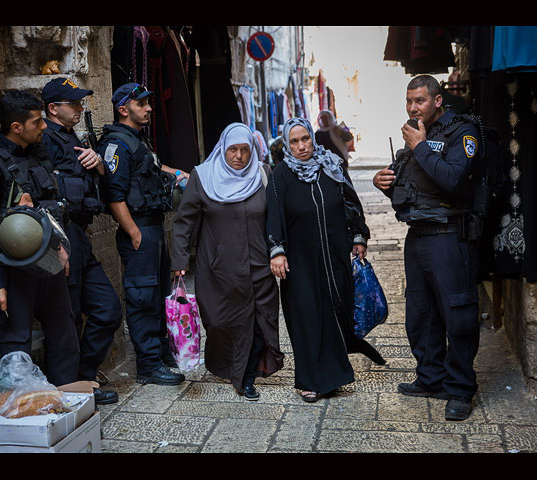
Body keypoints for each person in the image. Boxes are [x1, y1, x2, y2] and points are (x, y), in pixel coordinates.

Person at [373, 74, 481, 421]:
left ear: (437, 101)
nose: (412, 107)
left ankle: (461, 388)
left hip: (450, 237)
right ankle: (431, 377)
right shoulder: (419, 135)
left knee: (458, 314)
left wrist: (419, 147)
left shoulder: (463, 133)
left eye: (419, 101)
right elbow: (413, 187)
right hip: (418, 236)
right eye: (408, 101)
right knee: (421, 314)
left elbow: (452, 179)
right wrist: (384, 183)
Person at [0, 90, 80, 387]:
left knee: (64, 335)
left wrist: (60, 252)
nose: (44, 127)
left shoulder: (38, 154)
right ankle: (19, 414)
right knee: (16, 345)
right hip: (12, 273)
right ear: (16, 127)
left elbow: (52, 212)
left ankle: (65, 406)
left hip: (48, 264)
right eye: (38, 122)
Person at [266, 117, 385, 403]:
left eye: (305, 139)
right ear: (287, 144)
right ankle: (309, 380)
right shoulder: (280, 175)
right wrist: (277, 250)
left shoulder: (331, 166)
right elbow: (273, 216)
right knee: (307, 317)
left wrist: (359, 236)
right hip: (300, 262)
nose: (301, 146)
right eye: (294, 142)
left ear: (312, 138)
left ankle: (333, 377)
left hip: (335, 256)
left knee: (334, 311)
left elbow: (351, 202)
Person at [170, 123, 284, 401]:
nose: (239, 156)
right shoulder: (203, 176)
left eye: (245, 150)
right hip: (218, 268)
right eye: (232, 149)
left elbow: (277, 218)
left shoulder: (263, 173)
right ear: (222, 149)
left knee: (258, 322)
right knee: (221, 322)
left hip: (259, 265)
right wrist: (180, 259)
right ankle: (229, 365)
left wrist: (279, 250)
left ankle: (245, 377)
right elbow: (185, 221)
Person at [95, 83, 189, 386]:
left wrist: (176, 173)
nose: (149, 108)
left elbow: (152, 167)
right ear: (124, 109)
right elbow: (114, 194)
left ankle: (161, 353)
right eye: (142, 104)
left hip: (153, 226)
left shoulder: (137, 141)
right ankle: (148, 366)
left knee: (158, 294)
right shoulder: (116, 145)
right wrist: (133, 232)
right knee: (142, 297)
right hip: (140, 230)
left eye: (149, 103)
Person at [40, 77, 123, 405]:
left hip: (80, 236)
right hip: (59, 236)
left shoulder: (72, 137)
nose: (79, 108)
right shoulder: (44, 139)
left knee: (107, 309)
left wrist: (100, 164)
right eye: (72, 104)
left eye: (79, 102)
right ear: (53, 108)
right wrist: (55, 245)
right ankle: (66, 390)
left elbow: (93, 184)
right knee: (67, 318)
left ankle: (84, 376)